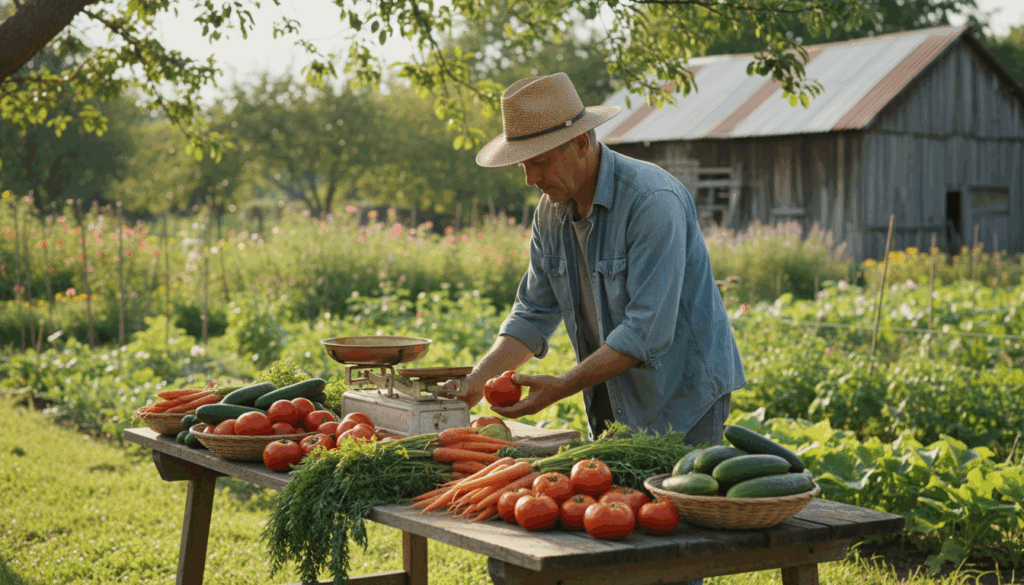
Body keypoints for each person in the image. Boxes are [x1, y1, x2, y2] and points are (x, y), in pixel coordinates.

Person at [446, 71, 745, 451]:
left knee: (678, 506)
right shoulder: (550, 211)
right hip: (609, 395)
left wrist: (562, 386)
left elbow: (646, 332)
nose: (530, 179)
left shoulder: (651, 202)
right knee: (617, 506)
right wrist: (477, 379)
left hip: (683, 397)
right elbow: (533, 313)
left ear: (582, 143)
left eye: (539, 162)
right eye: (522, 166)